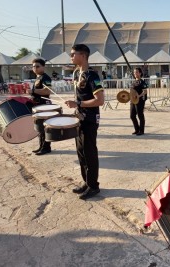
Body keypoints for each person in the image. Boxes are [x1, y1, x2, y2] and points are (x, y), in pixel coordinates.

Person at [65, 44, 104, 200]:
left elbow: (99, 100)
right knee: (81, 152)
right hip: (79, 118)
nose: (71, 56)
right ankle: (86, 182)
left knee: (89, 153)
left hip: (90, 119)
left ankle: (94, 186)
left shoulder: (92, 76)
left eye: (73, 54)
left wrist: (79, 104)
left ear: (82, 55)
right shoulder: (76, 73)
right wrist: (76, 106)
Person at [27, 58, 53, 155]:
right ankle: (41, 146)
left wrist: (33, 91)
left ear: (43, 67)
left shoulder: (45, 78)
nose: (35, 68)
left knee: (44, 127)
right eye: (33, 66)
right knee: (39, 127)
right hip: (38, 105)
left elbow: (47, 91)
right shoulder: (38, 78)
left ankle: (46, 147)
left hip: (44, 105)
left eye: (37, 66)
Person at [130, 67, 148, 136]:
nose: (135, 74)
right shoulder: (133, 82)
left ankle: (141, 130)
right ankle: (137, 129)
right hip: (132, 101)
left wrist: (138, 96)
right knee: (132, 115)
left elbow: (145, 91)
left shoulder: (142, 82)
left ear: (140, 73)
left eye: (137, 72)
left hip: (140, 101)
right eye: (134, 72)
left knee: (140, 115)